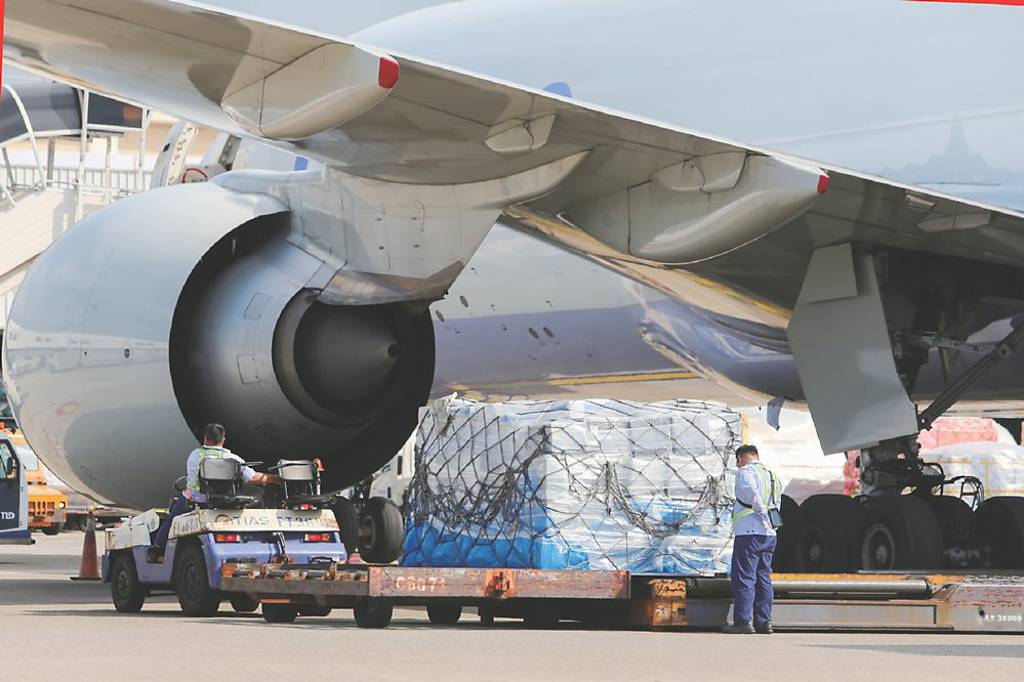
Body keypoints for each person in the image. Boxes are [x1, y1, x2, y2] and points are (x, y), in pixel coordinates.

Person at [147, 423, 277, 562]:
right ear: (223, 440)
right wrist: (275, 478)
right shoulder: (232, 458)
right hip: (223, 502)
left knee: (172, 519)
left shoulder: (195, 455)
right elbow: (253, 478)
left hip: (195, 501)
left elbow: (192, 477)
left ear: (205, 438)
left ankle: (158, 548)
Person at [723, 444, 781, 634]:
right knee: (763, 577)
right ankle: (764, 622)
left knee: (744, 577)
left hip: (749, 533)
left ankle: (743, 622)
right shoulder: (772, 475)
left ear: (740, 459)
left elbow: (749, 493)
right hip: (769, 533)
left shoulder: (745, 472)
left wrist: (760, 510)